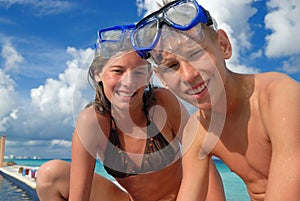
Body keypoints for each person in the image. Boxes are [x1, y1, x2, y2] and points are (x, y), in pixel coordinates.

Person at [130, 0, 300, 201]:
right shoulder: (198, 131)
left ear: (223, 45)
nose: (188, 74)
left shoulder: (278, 97)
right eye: (172, 66)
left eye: (196, 54)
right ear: (162, 79)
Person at [36, 24, 226, 201]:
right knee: (50, 174)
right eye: (118, 71)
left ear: (148, 75)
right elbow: (79, 196)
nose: (128, 83)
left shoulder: (163, 102)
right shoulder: (92, 122)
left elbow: (204, 157)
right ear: (98, 74)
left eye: (138, 73)